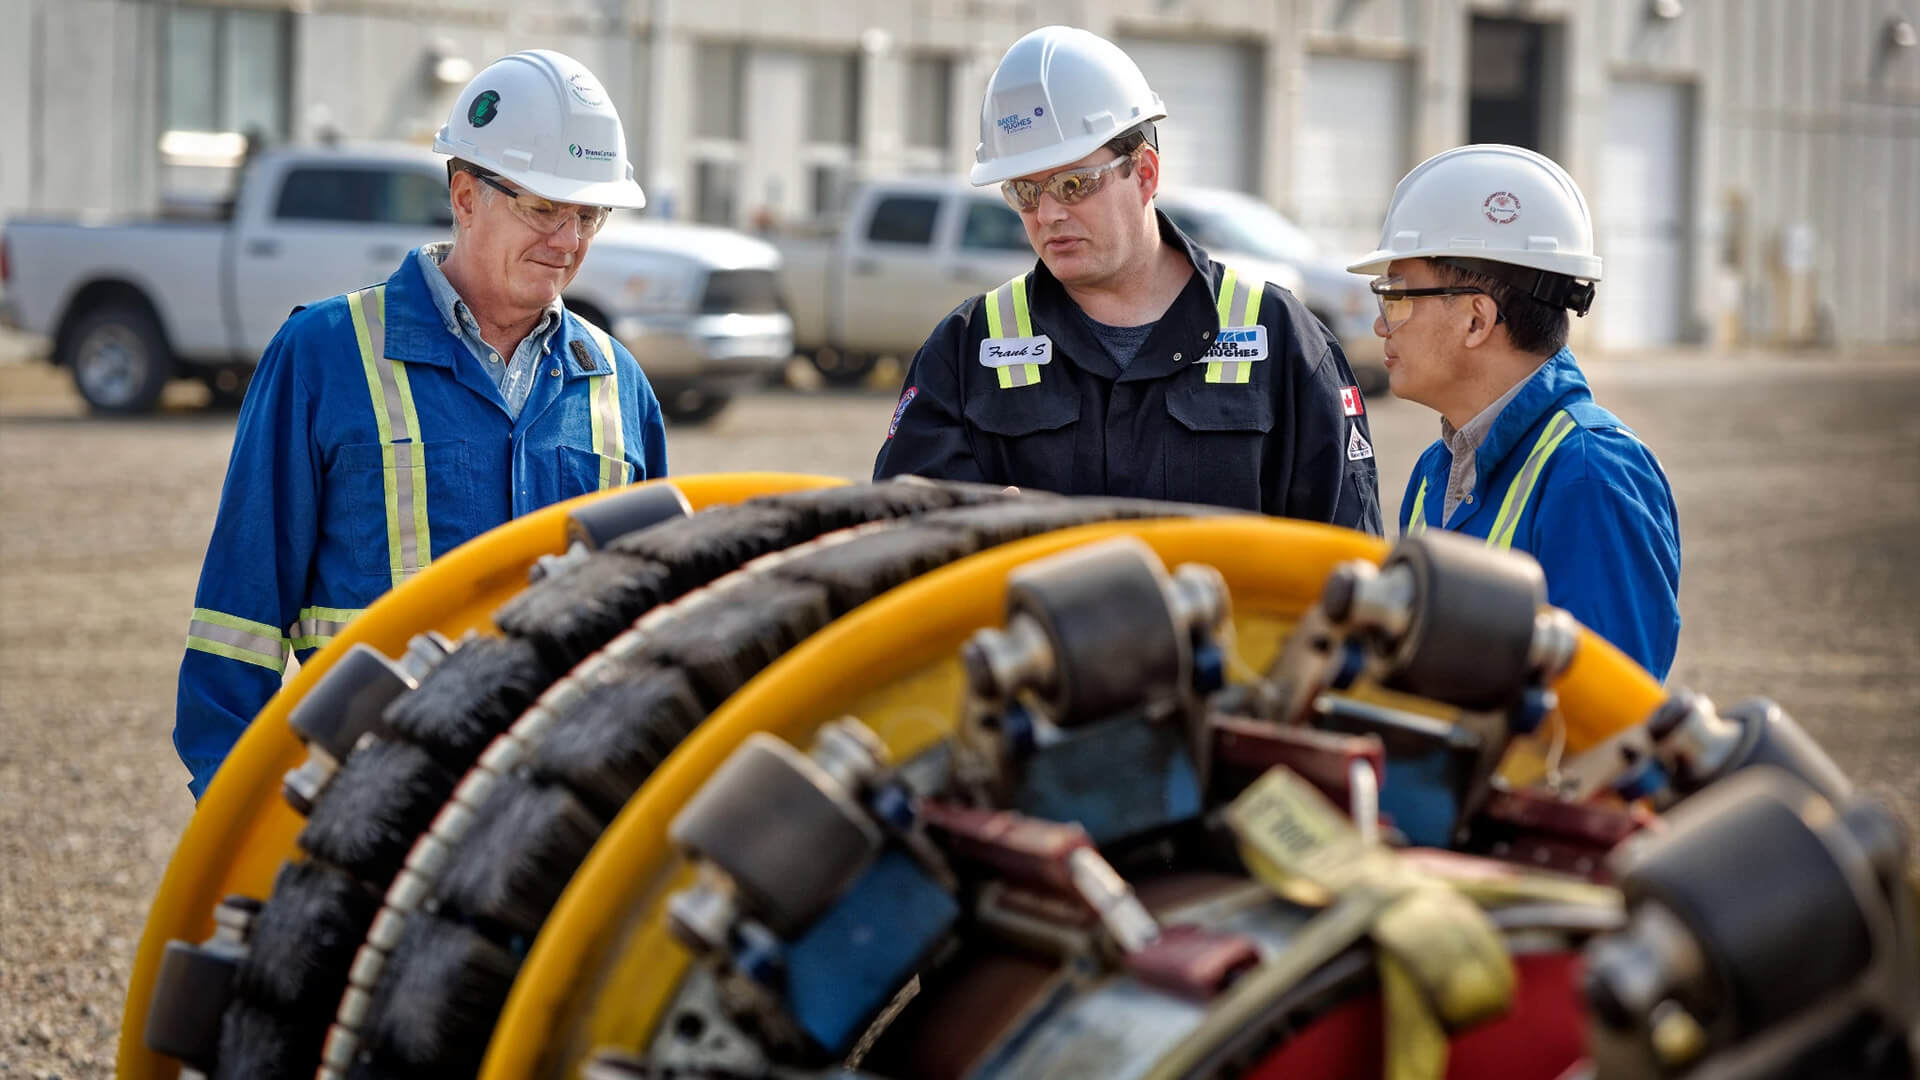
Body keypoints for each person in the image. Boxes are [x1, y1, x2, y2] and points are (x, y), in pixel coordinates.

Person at [174, 49, 668, 799]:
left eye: (588, 215)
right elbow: (237, 621)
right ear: (466, 195)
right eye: (543, 208)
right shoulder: (326, 355)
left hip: (553, 802)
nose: (568, 241)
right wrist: (239, 817)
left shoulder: (617, 383)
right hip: (373, 794)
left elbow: (653, 622)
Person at [874, 26, 1381, 533]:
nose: (1047, 214)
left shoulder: (1282, 342)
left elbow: (1347, 567)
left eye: (1073, 184)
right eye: (1024, 192)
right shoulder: (966, 351)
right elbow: (895, 544)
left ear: (1144, 174)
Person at [1350, 144, 1680, 678]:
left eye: (1398, 297)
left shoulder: (1593, 473)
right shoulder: (1436, 472)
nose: (1382, 326)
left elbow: (1609, 715)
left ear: (1478, 320)